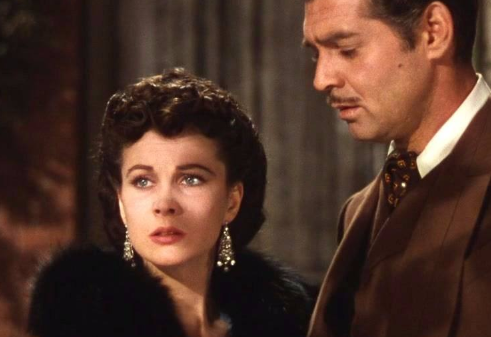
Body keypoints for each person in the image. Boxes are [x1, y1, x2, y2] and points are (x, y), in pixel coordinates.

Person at [291, 0, 491, 336]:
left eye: (347, 49)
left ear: (433, 32)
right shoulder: (359, 210)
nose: (321, 79)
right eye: (315, 53)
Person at [27, 68, 315, 337]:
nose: (164, 204)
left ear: (232, 201)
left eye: (191, 179)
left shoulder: (295, 323)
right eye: (143, 181)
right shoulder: (78, 321)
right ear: (121, 203)